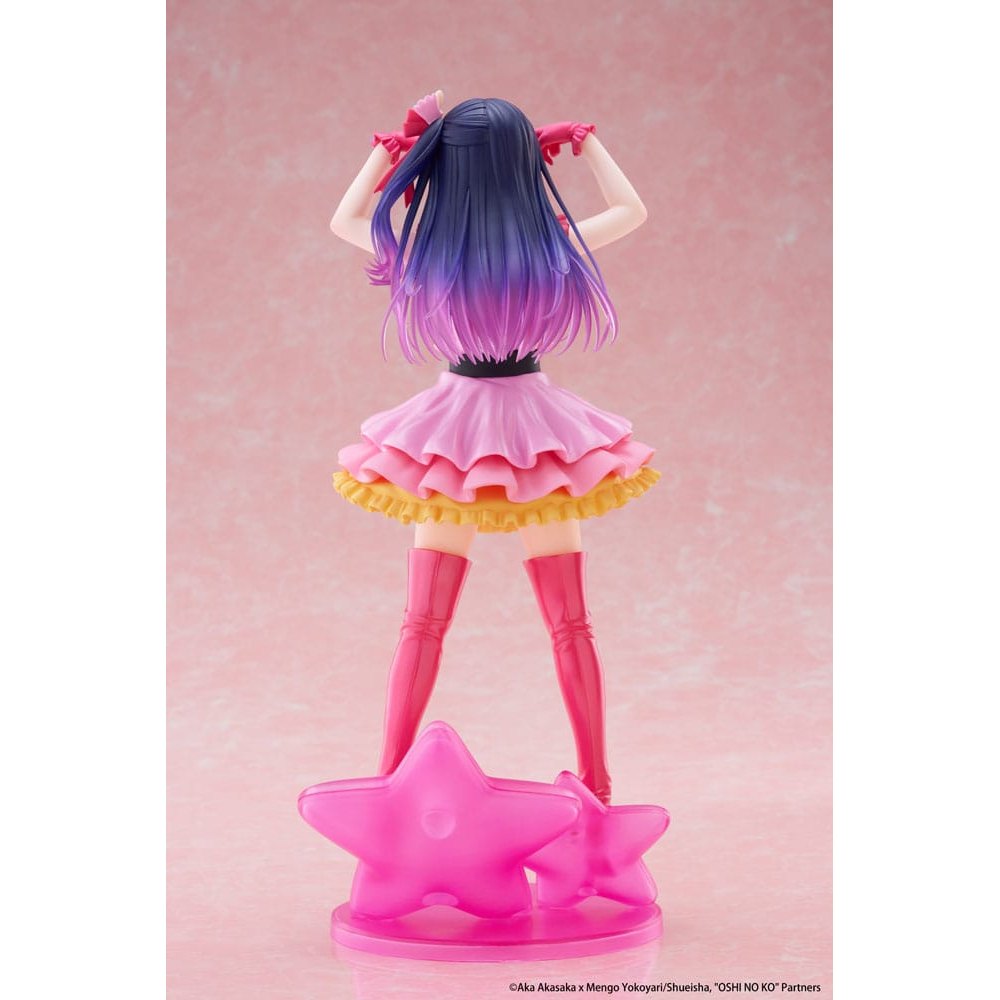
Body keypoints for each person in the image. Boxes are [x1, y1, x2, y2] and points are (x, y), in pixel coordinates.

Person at [328, 92, 655, 805]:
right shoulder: (549, 244)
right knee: (570, 622)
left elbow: (346, 220)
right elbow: (630, 210)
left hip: (455, 436)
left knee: (423, 622)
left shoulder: (428, 251)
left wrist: (386, 156)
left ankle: (388, 780)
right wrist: (586, 142)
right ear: (523, 164)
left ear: (447, 165)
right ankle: (597, 783)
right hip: (539, 435)